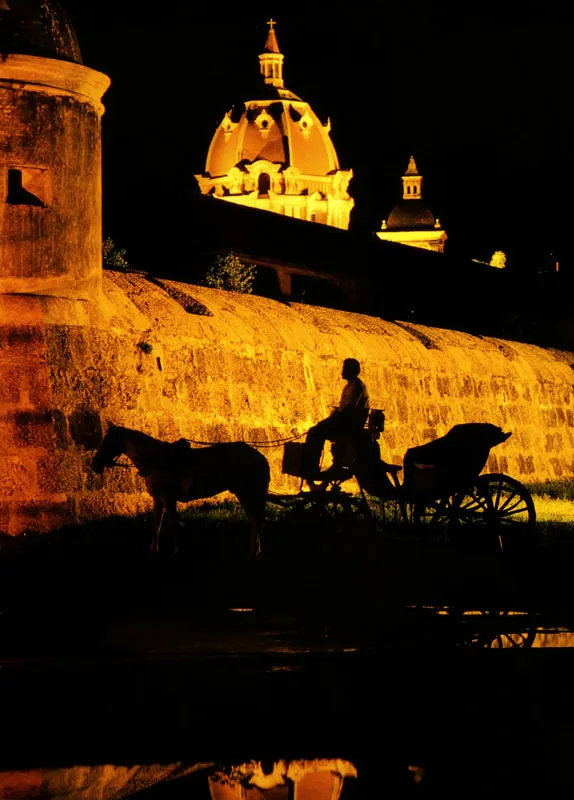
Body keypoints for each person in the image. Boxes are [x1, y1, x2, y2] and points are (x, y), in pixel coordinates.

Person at [303, 358, 370, 478]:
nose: (342, 371)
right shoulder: (351, 385)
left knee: (315, 432)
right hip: (346, 421)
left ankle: (312, 468)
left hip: (349, 425)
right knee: (317, 430)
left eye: (344, 368)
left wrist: (331, 420)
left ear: (352, 370)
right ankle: (313, 467)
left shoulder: (356, 387)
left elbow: (349, 410)